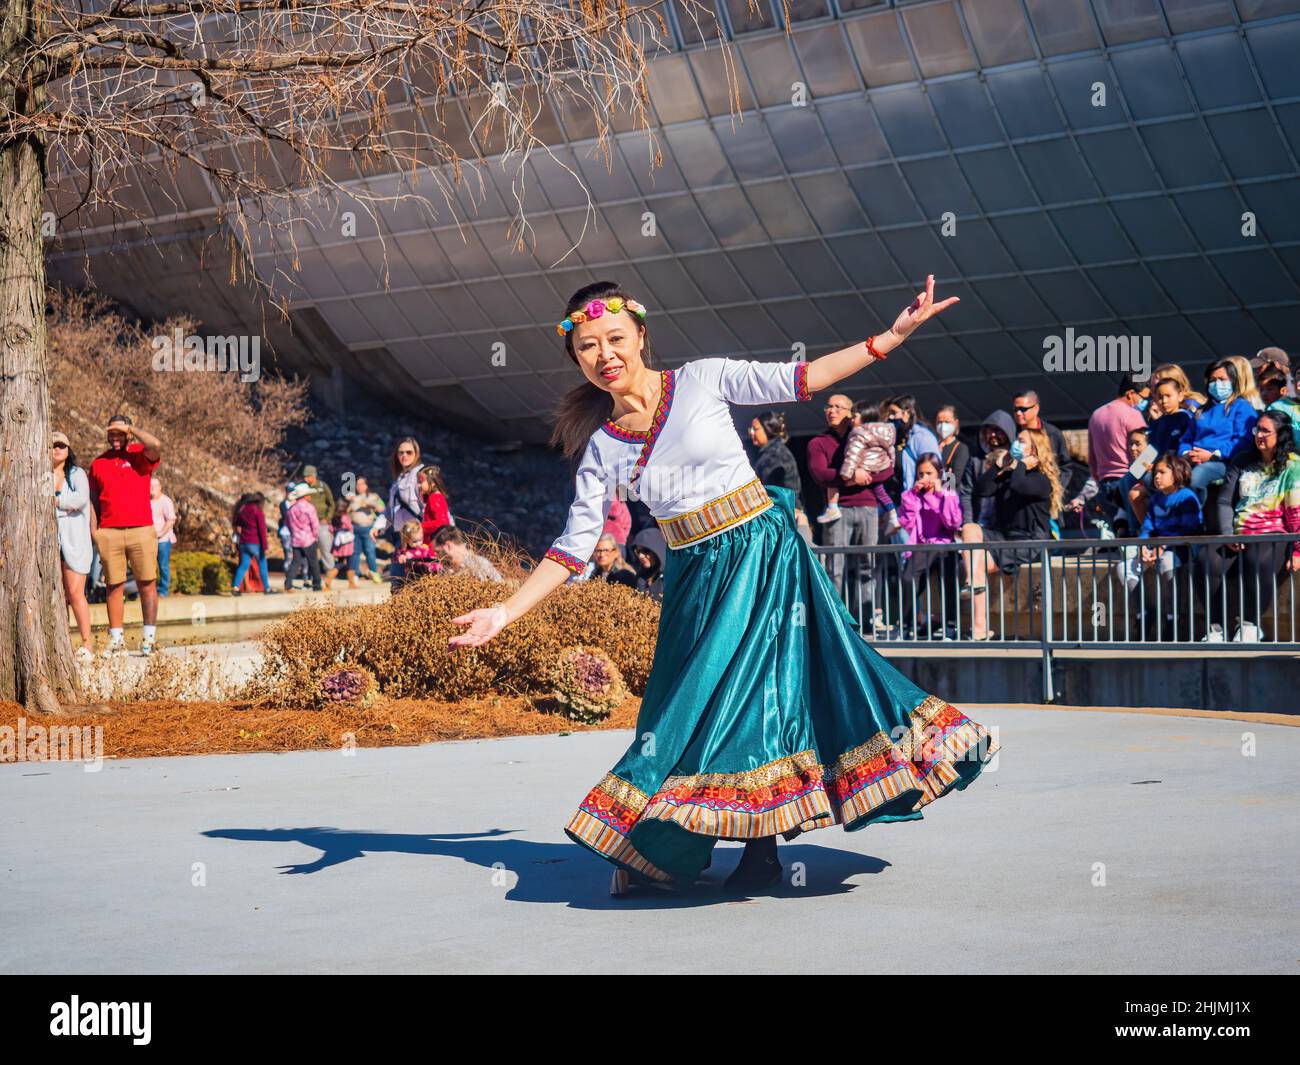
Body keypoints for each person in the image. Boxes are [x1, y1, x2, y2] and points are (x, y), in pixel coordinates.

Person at [448, 276, 998, 898]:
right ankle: (663, 840)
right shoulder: (601, 447)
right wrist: (505, 610)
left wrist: (890, 338)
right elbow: (573, 549)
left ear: (641, 337)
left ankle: (758, 850)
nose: (605, 355)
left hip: (761, 556)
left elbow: (804, 379)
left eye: (615, 339)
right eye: (589, 346)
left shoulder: (703, 379)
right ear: (575, 357)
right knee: (677, 714)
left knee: (759, 699)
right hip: (694, 578)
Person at [1196, 411, 1300, 642]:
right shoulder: (1242, 460)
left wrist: (1297, 549)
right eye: (1257, 429)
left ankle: (1250, 623)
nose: (1259, 435)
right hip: (1239, 531)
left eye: (1265, 431)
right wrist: (1227, 533)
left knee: (1257, 559)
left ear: (1281, 435)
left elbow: (1296, 512)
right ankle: (1216, 627)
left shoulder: (1294, 466)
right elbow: (1224, 501)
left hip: (1273, 534)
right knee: (1206, 559)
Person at [967, 427, 1062, 640]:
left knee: (978, 563)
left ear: (1035, 450)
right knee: (970, 529)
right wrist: (999, 466)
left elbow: (1020, 486)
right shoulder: (1011, 474)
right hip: (1005, 537)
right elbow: (981, 490)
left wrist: (1019, 465)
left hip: (1031, 541)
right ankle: (972, 586)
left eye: (1021, 441)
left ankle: (979, 625)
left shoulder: (1040, 480)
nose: (1015, 444)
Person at [807, 394, 892, 631]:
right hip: (838, 509)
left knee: (869, 565)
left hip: (868, 507)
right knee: (835, 567)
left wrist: (864, 475)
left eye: (838, 406)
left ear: (850, 411)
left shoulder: (867, 435)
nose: (831, 410)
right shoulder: (818, 443)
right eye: (828, 406)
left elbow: (887, 468)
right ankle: (834, 622)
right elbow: (820, 474)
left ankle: (866, 622)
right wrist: (851, 477)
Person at [88, 414, 162, 656]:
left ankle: (149, 639)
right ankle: (116, 639)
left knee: (147, 583)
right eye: (112, 433)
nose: (115, 437)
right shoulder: (99, 463)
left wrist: (131, 428)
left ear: (129, 434)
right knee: (113, 586)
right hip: (110, 532)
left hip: (141, 529)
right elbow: (92, 501)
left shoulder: (140, 455)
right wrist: (94, 531)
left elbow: (156, 445)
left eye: (120, 433)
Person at [897, 453, 963, 638]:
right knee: (908, 578)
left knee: (949, 581)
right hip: (921, 545)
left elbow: (953, 523)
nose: (924, 478)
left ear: (939, 474)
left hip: (944, 545)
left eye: (929, 473)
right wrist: (912, 495)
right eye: (920, 474)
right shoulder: (913, 495)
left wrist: (942, 493)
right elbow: (907, 523)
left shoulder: (948, 491)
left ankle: (951, 623)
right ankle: (906, 624)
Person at [1177, 359, 1259, 505]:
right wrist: (1186, 454)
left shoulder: (1241, 407)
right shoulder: (1202, 410)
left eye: (1222, 379)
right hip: (1194, 459)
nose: (1217, 384)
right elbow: (1186, 439)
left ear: (1233, 381)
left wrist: (1214, 455)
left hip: (1224, 462)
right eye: (1213, 380)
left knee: (1197, 477)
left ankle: (1194, 521)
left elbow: (1242, 441)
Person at [1081, 373, 1149, 531]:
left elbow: (1091, 457)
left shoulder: (1096, 415)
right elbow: (1143, 451)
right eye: (1144, 397)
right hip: (1128, 480)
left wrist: (1098, 480)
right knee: (1135, 530)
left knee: (1119, 532)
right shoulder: (1132, 414)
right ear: (1131, 393)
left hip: (1105, 484)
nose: (1145, 402)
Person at [817, 402, 898, 534]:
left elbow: (853, 453)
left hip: (862, 467)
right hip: (879, 466)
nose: (852, 420)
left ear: (865, 416)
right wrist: (889, 465)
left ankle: (832, 507)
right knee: (881, 492)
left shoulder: (859, 432)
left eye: (855, 417)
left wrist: (846, 474)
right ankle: (893, 516)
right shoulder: (887, 432)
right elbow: (891, 451)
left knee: (834, 482)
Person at [51, 432, 93, 660]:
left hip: (75, 541)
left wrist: (56, 501)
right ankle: (63, 642)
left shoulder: (76, 474)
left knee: (75, 593)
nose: (56, 449)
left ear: (68, 450)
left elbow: (81, 500)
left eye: (61, 445)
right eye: (52, 445)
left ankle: (87, 644)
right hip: (51, 543)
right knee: (57, 595)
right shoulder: (42, 475)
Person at [749, 410, 812, 544]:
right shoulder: (771, 453)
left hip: (782, 516)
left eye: (755, 429)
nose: (751, 433)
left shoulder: (774, 454)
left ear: (768, 429)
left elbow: (778, 490)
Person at [882, 394, 941, 496]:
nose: (890, 417)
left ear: (907, 413)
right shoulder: (900, 436)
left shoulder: (922, 437)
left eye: (894, 413)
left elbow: (932, 470)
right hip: (900, 499)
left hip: (919, 500)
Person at [1011, 389, 1072, 483]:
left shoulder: (1052, 433)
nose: (1018, 413)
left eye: (1023, 409)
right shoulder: (1011, 432)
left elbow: (1065, 467)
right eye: (1015, 409)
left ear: (1036, 408)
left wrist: (1055, 490)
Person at [386, 438, 423, 583]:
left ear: (416, 454)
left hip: (415, 536)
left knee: (414, 579)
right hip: (399, 536)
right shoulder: (399, 479)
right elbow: (390, 509)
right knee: (398, 580)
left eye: (409, 452)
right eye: (401, 453)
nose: (404, 456)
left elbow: (427, 504)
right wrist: (377, 527)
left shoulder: (419, 475)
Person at [300, 465, 337, 589]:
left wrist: (328, 518)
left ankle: (329, 573)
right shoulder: (303, 488)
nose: (306, 479)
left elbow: (331, 503)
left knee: (325, 548)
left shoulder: (322, 486)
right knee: (309, 551)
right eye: (304, 476)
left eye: (308, 476)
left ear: (313, 475)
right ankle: (310, 577)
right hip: (307, 525)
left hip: (322, 523)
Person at [231, 492, 276, 595]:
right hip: (255, 542)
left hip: (243, 542)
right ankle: (267, 588)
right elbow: (262, 529)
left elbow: (237, 524)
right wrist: (264, 545)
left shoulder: (241, 510)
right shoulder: (257, 511)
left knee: (243, 565)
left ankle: (235, 587)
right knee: (262, 565)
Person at [344, 476, 385, 582]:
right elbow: (348, 511)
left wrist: (366, 504)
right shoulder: (353, 498)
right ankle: (354, 574)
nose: (359, 486)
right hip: (355, 528)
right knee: (355, 552)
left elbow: (382, 508)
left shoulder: (373, 496)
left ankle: (374, 573)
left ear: (366, 485)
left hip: (368, 528)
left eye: (362, 484)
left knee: (370, 551)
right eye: (357, 484)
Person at [283, 482, 321, 592]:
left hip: (296, 540)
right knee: (313, 562)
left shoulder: (291, 509)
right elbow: (314, 524)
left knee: (295, 562)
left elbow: (288, 524)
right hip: (309, 539)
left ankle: (288, 583)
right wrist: (315, 536)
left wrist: (293, 533)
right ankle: (317, 584)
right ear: (305, 496)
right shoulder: (310, 508)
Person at [430, 525, 503, 582]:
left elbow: (501, 591)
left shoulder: (479, 565)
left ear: (448, 546)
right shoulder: (446, 570)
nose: (436, 556)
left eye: (438, 552)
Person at [150, 477, 177, 596]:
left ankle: (163, 590)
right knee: (149, 567)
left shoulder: (166, 501)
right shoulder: (146, 500)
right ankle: (150, 591)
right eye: (150, 486)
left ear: (160, 487)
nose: (152, 488)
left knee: (163, 565)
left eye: (154, 486)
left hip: (163, 540)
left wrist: (160, 533)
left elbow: (171, 520)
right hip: (149, 540)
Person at [394, 519, 440, 588]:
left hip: (427, 578)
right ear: (407, 540)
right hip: (411, 580)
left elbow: (434, 560)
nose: (418, 544)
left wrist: (436, 566)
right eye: (414, 541)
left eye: (420, 540)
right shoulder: (405, 551)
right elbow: (396, 557)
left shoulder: (425, 549)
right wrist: (401, 557)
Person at [934, 405, 970, 492]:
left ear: (956, 423)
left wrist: (935, 478)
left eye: (947, 422)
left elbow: (955, 479)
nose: (943, 425)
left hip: (948, 498)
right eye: (939, 422)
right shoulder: (932, 445)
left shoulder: (961, 448)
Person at [628, 525, 667, 602]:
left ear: (657, 550)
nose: (640, 556)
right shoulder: (640, 576)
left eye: (645, 551)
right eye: (638, 551)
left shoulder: (669, 579)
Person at [418, 464, 454, 541]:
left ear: (433, 482)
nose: (418, 485)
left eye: (421, 481)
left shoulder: (434, 498)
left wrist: (420, 526)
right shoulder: (436, 497)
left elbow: (442, 522)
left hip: (433, 543)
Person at [332, 512, 358, 588]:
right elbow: (351, 528)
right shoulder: (345, 517)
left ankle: (328, 580)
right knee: (351, 564)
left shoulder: (335, 516)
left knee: (339, 563)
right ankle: (351, 583)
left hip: (339, 544)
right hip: (348, 544)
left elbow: (330, 528)